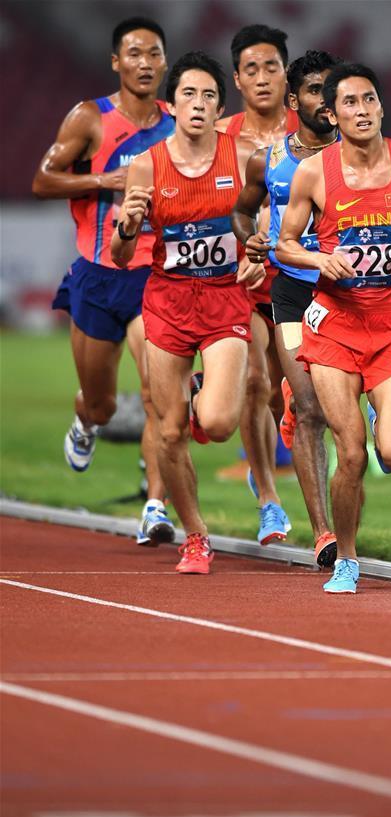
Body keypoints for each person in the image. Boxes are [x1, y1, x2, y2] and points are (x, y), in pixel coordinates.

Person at [276, 63, 391, 594]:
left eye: (369, 99)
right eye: (349, 102)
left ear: (381, 106)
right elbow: (284, 242)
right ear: (331, 113)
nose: (362, 110)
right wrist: (316, 260)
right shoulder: (314, 174)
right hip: (334, 327)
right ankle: (347, 559)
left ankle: (378, 403)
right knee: (350, 451)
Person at [111, 50, 264, 574]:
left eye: (208, 96)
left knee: (218, 423)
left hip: (224, 299)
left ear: (220, 106)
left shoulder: (243, 157)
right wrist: (128, 227)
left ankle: (203, 391)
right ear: (170, 105)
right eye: (189, 95)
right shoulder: (144, 165)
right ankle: (196, 536)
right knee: (171, 430)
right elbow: (122, 256)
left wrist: (258, 255)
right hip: (168, 302)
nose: (198, 104)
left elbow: (257, 227)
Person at [32, 16, 176, 547]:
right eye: (133, 54)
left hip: (153, 277)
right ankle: (86, 422)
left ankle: (155, 506)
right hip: (96, 276)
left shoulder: (179, 120)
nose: (144, 63)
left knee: (161, 396)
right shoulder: (90, 118)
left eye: (153, 53)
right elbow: (42, 179)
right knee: (103, 404)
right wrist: (104, 178)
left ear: (164, 61)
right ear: (116, 62)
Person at [232, 50, 342, 568]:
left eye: (334, 90)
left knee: (374, 435)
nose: (329, 101)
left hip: (355, 296)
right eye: (317, 91)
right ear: (295, 100)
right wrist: (252, 239)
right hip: (294, 291)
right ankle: (323, 533)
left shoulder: (367, 156)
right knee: (311, 409)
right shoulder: (269, 159)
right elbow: (241, 210)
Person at [215, 24, 299, 544]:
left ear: (286, 73)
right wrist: (238, 251)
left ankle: (269, 455)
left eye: (272, 66)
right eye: (252, 69)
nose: (263, 77)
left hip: (294, 280)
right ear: (237, 79)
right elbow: (203, 211)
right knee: (252, 382)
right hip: (236, 281)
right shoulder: (219, 137)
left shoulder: (313, 129)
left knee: (283, 395)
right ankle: (269, 499)